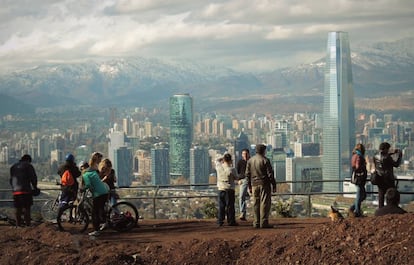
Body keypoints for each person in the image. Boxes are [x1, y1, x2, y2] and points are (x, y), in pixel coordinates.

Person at [245, 144, 276, 228]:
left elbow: (247, 174)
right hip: (264, 184)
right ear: (263, 151)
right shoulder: (265, 160)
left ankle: (256, 222)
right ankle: (264, 222)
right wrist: (273, 184)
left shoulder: (250, 161)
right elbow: (270, 174)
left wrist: (249, 186)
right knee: (264, 203)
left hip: (254, 184)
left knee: (255, 203)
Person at [82, 154, 109, 236]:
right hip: (104, 192)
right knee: (100, 208)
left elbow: (88, 185)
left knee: (94, 212)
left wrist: (82, 189)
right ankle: (105, 222)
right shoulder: (93, 172)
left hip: (98, 194)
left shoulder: (85, 175)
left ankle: (96, 230)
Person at [9, 154, 39, 227]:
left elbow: (11, 180)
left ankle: (18, 225)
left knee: (18, 208)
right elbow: (33, 177)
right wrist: (35, 187)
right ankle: (28, 225)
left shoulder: (13, 167)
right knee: (27, 207)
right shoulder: (28, 166)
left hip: (16, 191)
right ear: (28, 160)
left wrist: (14, 188)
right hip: (26, 190)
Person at [373, 142, 402, 208]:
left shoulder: (375, 156)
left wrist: (392, 153)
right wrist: (399, 156)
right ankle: (392, 209)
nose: (389, 150)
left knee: (381, 197)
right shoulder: (387, 157)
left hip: (379, 179)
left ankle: (380, 212)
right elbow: (396, 164)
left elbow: (382, 156)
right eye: (388, 149)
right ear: (386, 149)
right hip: (388, 179)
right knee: (392, 195)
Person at [216, 153, 239, 227]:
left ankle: (220, 221)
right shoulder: (232, 169)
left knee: (221, 206)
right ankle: (231, 221)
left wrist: (221, 159)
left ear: (223, 160)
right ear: (230, 161)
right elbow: (237, 178)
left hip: (220, 189)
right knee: (230, 206)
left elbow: (217, 161)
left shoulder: (218, 167)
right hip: (229, 189)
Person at [349, 144, 367, 217]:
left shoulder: (354, 155)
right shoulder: (359, 156)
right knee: (360, 195)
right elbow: (358, 166)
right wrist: (363, 166)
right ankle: (357, 211)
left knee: (362, 195)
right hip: (360, 178)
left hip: (356, 177)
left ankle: (353, 208)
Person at [237, 148, 250, 221]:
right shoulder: (240, 162)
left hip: (251, 180)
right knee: (241, 196)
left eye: (246, 154)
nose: (244, 155)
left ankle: (258, 214)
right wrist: (239, 180)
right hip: (243, 180)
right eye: (243, 154)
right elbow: (238, 172)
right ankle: (242, 213)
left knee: (255, 197)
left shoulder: (251, 161)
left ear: (249, 154)